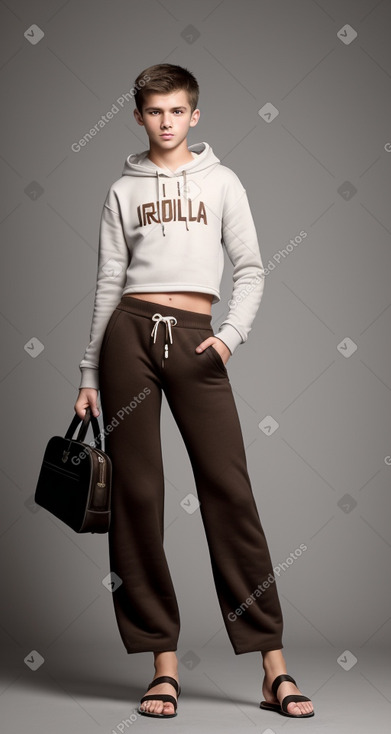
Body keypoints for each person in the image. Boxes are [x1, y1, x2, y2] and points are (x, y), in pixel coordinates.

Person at [74, 63, 314, 720]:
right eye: (154, 112)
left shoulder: (223, 183)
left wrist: (230, 335)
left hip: (197, 339)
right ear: (138, 116)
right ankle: (162, 665)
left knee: (228, 492)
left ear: (194, 115)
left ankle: (273, 667)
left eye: (176, 111)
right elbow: (105, 285)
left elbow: (253, 270)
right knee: (138, 496)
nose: (166, 122)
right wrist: (88, 375)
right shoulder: (123, 190)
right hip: (127, 337)